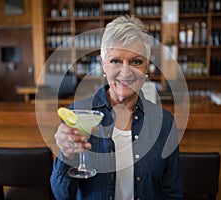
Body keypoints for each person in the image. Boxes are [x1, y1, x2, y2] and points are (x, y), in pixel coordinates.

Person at [50, 15, 183, 200]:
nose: (126, 72)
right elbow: (62, 195)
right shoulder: (77, 114)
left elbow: (173, 193)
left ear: (147, 67)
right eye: (115, 61)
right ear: (103, 62)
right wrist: (66, 155)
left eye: (136, 61)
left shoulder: (164, 122)